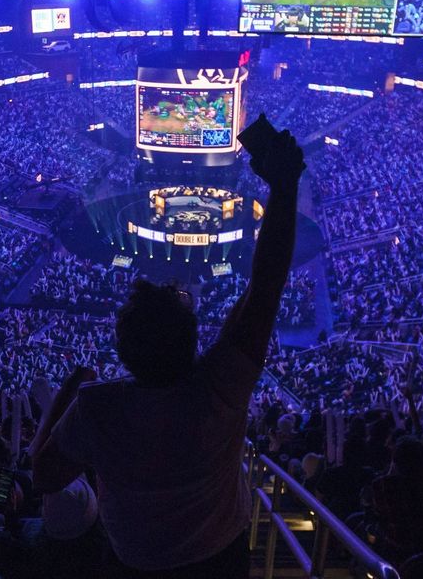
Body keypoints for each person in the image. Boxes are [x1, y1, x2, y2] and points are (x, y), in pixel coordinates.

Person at [31, 117, 306, 578]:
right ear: (193, 337)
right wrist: (285, 184)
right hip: (222, 560)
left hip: (135, 564)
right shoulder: (219, 388)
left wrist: (71, 390)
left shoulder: (97, 406)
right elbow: (266, 286)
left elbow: (43, 476)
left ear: (123, 351)